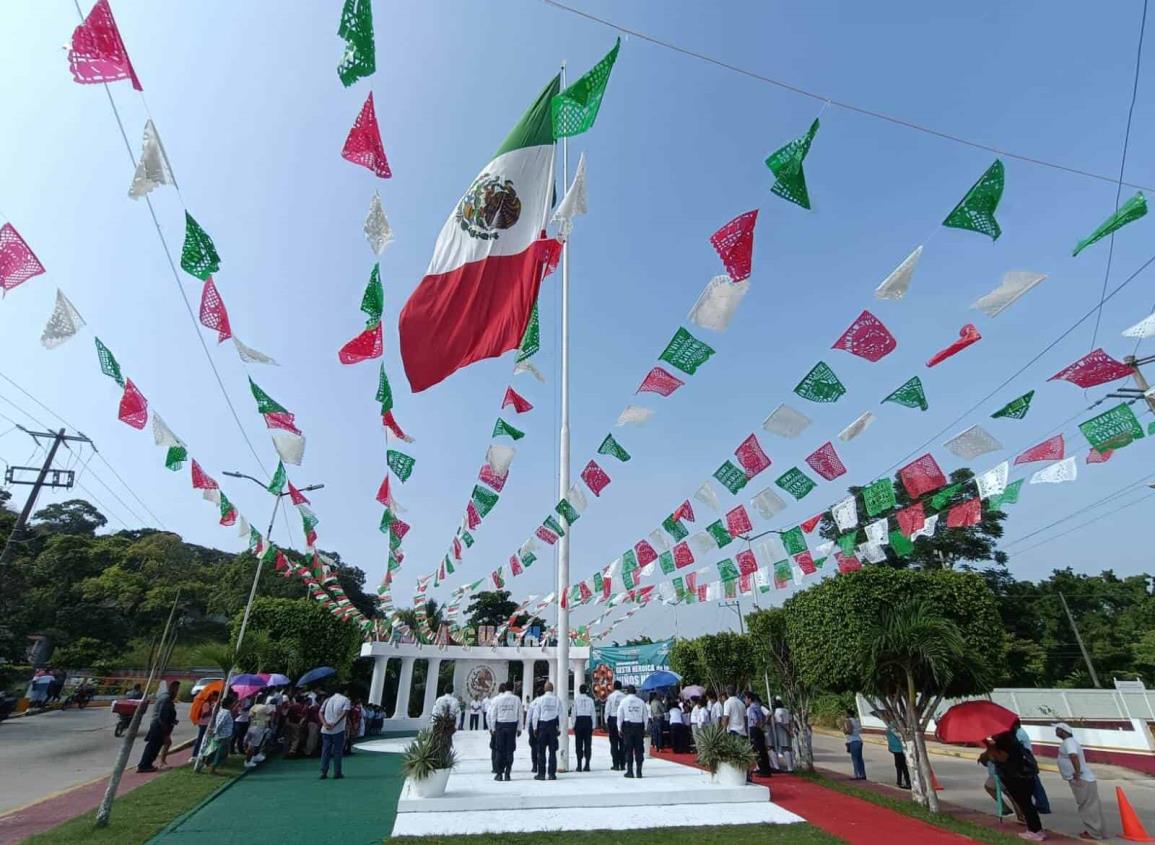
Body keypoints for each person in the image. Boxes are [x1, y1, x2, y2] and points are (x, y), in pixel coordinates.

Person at [982, 731, 1044, 842]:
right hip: (1020, 777)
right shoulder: (1012, 741)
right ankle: (1035, 829)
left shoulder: (1005, 742)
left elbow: (1002, 758)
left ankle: (1035, 830)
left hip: (1016, 777)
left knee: (1026, 805)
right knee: (1026, 804)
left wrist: (989, 747)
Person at [1055, 723, 1106, 841]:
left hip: (1082, 779)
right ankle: (1096, 830)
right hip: (1084, 779)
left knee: (1087, 806)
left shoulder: (1069, 742)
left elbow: (1073, 755)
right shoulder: (1070, 741)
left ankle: (1094, 832)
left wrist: (1077, 773)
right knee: (1090, 805)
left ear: (1063, 731)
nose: (1055, 732)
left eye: (1057, 729)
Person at [136, 680, 180, 773]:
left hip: (157, 725)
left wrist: (172, 720)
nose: (177, 691)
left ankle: (146, 764)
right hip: (159, 727)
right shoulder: (166, 699)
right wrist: (165, 732)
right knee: (153, 747)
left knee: (153, 746)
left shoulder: (163, 697)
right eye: (176, 689)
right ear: (172, 688)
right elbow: (163, 716)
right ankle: (145, 765)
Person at [1014, 721, 1051, 815]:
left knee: (1034, 784)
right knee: (1032, 784)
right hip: (1026, 761)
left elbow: (1015, 746)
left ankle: (1042, 805)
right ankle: (1041, 805)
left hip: (1026, 762)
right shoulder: (1019, 732)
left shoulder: (1019, 733)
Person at [319, 685, 352, 780]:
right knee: (337, 751)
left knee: (325, 751)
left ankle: (323, 771)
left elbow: (320, 712)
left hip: (325, 729)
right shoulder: (345, 700)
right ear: (345, 691)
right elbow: (344, 713)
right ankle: (337, 772)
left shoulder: (327, 700)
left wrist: (324, 723)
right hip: (338, 729)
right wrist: (335, 723)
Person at [492, 682, 523, 781]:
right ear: (513, 688)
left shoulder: (498, 699)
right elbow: (520, 714)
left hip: (500, 725)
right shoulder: (517, 699)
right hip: (512, 726)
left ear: (504, 688)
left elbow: (494, 714)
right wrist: (519, 728)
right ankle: (508, 773)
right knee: (510, 751)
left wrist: (493, 728)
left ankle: (499, 774)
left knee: (500, 750)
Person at [531, 682, 561, 780]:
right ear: (552, 689)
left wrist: (535, 728)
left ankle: (541, 774)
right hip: (553, 726)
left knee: (541, 751)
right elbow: (561, 715)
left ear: (545, 689)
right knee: (552, 751)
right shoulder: (557, 699)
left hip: (542, 726)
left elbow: (536, 715)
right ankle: (552, 774)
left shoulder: (540, 700)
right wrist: (559, 728)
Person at [618, 684, 649, 778]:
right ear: (635, 692)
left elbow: (620, 716)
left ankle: (630, 771)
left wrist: (619, 728)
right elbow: (645, 716)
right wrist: (645, 728)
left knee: (628, 749)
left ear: (627, 692)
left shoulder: (623, 701)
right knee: (639, 750)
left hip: (628, 726)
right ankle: (639, 771)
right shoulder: (641, 702)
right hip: (639, 726)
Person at [204, 694, 236, 775]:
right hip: (223, 735)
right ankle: (212, 769)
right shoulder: (226, 712)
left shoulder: (221, 711)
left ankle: (209, 763)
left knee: (215, 751)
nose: (233, 705)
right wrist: (215, 732)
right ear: (229, 704)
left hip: (221, 734)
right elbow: (220, 723)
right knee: (220, 752)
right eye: (232, 703)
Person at [746, 692, 773, 778]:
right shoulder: (758, 706)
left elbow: (754, 719)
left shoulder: (752, 708)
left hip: (754, 729)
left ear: (750, 699)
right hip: (758, 729)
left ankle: (763, 770)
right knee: (762, 750)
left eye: (746, 698)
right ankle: (765, 769)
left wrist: (758, 724)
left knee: (757, 750)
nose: (745, 700)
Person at [244, 693, 271, 768]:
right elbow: (269, 716)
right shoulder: (264, 707)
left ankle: (253, 757)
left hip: (252, 726)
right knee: (253, 745)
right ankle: (248, 761)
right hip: (259, 727)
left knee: (252, 744)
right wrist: (268, 726)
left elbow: (249, 717)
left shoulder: (253, 707)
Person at [572, 683, 594, 771]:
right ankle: (587, 764)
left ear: (579, 691)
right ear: (586, 691)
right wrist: (593, 725)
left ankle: (579, 765)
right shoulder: (590, 700)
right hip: (588, 721)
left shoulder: (576, 700)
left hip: (579, 721)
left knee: (578, 744)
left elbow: (573, 713)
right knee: (588, 744)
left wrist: (573, 724)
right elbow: (593, 714)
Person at [190, 690, 219, 758]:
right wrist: (211, 710)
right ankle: (195, 754)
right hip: (204, 723)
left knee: (207, 739)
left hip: (209, 723)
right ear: (212, 696)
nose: (216, 698)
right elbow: (204, 715)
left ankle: (203, 753)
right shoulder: (206, 704)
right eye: (215, 696)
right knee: (200, 739)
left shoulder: (212, 703)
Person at [605, 681, 626, 771]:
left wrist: (606, 721)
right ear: (621, 687)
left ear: (613, 687)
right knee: (623, 743)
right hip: (622, 720)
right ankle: (622, 764)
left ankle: (615, 764)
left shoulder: (610, 697)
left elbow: (607, 710)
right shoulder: (625, 697)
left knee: (613, 744)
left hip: (613, 720)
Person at [842, 708, 866, 780]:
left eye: (846, 713)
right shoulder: (857, 720)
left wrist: (844, 730)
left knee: (854, 759)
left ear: (849, 714)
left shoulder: (848, 721)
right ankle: (862, 774)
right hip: (859, 740)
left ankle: (856, 775)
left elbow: (850, 731)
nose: (845, 715)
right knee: (859, 759)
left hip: (853, 741)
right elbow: (860, 730)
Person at [885, 722, 910, 789]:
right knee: (902, 766)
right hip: (899, 749)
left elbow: (891, 738)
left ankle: (903, 782)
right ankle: (904, 782)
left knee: (900, 766)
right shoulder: (893, 726)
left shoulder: (890, 727)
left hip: (897, 749)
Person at [772, 699, 795, 772]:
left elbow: (780, 722)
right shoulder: (786, 710)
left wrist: (787, 730)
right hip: (788, 728)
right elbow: (791, 721)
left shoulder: (777, 711)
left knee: (785, 748)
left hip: (781, 730)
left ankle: (789, 768)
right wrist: (790, 730)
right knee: (789, 748)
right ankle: (791, 766)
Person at [527, 686, 542, 774]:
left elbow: (529, 716)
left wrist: (528, 727)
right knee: (541, 747)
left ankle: (534, 766)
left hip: (533, 725)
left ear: (536, 694)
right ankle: (540, 765)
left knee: (533, 747)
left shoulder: (533, 703)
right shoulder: (543, 701)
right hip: (542, 725)